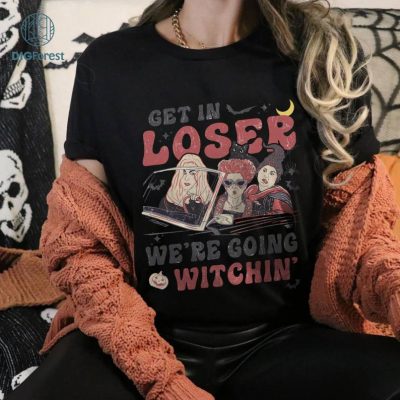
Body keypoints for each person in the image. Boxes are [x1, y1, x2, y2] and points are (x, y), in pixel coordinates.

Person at [8, 1, 400, 399]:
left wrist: (394, 290)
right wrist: (163, 382)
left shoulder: (324, 55)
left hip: (285, 342)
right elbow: (81, 248)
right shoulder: (110, 64)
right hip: (139, 339)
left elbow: (361, 236)